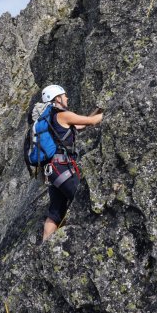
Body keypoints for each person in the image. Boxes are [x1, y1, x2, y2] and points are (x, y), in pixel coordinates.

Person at [41, 84, 103, 241]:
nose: (67, 98)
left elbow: (80, 125)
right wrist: (114, 106)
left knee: (55, 212)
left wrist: (97, 110)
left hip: (52, 172)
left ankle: (45, 245)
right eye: (64, 95)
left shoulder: (50, 118)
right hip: (62, 169)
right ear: (57, 99)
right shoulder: (63, 115)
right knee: (82, 200)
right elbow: (92, 121)